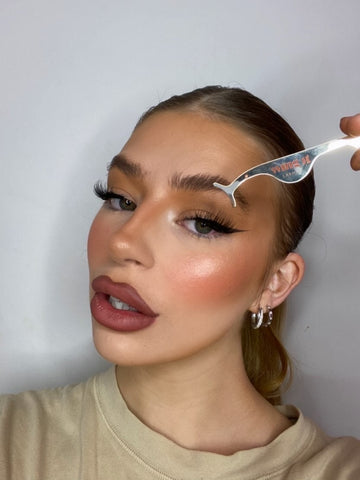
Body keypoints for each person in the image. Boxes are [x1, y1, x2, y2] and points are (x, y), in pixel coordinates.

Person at [1, 86, 359, 479]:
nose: (122, 241)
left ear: (274, 283)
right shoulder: (13, 439)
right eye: (121, 199)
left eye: (203, 223)